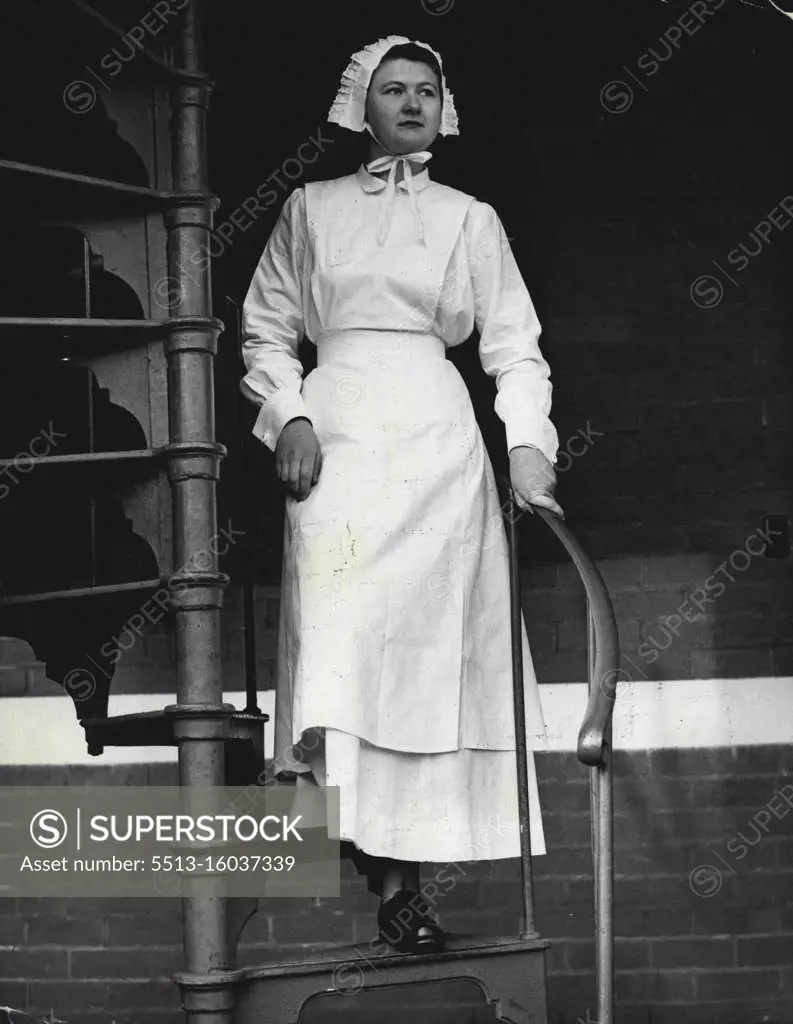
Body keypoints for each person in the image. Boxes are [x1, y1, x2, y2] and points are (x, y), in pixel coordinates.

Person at [241, 35, 561, 954]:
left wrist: (529, 446)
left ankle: (402, 890)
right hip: (338, 443)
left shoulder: (469, 217)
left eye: (427, 90)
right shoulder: (309, 210)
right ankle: (360, 845)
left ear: (442, 107)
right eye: (394, 90)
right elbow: (265, 333)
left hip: (436, 446)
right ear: (362, 106)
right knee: (341, 653)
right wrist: (289, 418)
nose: (412, 103)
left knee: (425, 663)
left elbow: (512, 345)